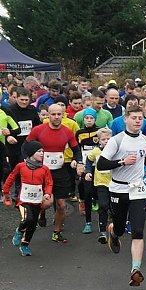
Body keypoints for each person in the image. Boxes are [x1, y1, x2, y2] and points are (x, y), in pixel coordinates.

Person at [95, 105, 146, 287]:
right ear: (126, 119)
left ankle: (135, 269)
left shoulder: (145, 140)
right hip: (118, 189)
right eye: (134, 118)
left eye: (140, 118)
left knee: (138, 231)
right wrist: (122, 162)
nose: (138, 121)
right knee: (121, 229)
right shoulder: (117, 140)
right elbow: (101, 165)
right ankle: (113, 232)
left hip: (138, 189)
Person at [26, 104, 84, 243]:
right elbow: (26, 147)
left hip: (60, 170)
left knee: (61, 205)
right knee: (46, 203)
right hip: (41, 171)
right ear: (48, 115)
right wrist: (29, 163)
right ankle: (41, 213)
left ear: (63, 115)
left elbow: (76, 149)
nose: (56, 117)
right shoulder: (38, 130)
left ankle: (56, 232)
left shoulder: (67, 131)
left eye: (59, 114)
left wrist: (79, 162)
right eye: (53, 114)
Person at [3, 140, 52, 256]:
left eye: (42, 152)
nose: (42, 154)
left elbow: (49, 183)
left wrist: (47, 193)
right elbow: (11, 177)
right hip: (23, 200)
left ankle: (25, 245)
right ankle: (19, 231)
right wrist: (6, 191)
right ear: (31, 153)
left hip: (37, 200)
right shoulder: (21, 166)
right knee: (27, 219)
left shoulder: (45, 168)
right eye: (39, 151)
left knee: (33, 224)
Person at [84, 128, 113, 244]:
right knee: (103, 205)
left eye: (108, 139)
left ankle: (114, 228)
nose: (106, 141)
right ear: (99, 140)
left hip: (114, 183)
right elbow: (88, 160)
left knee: (114, 207)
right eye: (103, 139)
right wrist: (88, 171)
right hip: (100, 182)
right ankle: (102, 232)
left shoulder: (115, 151)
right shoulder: (96, 151)